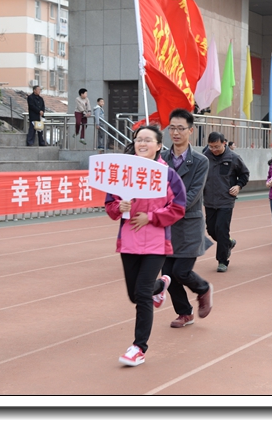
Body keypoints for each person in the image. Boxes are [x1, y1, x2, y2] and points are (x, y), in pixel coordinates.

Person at [105, 125, 187, 366]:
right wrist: (118, 207)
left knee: (141, 295)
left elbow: (178, 207)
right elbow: (110, 204)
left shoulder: (168, 174)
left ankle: (138, 347)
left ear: (159, 145)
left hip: (156, 242)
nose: (142, 143)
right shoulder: (121, 171)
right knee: (134, 294)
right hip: (129, 241)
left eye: (148, 140)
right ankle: (161, 285)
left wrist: (150, 217)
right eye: (139, 139)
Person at [158, 109, 214, 328]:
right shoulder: (160, 158)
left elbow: (193, 194)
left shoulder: (200, 161)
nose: (176, 132)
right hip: (166, 224)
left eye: (181, 128)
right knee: (168, 276)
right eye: (172, 128)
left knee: (181, 271)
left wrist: (167, 207)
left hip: (188, 222)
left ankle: (203, 289)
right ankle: (185, 313)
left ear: (191, 130)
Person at [204, 131, 250, 272]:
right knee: (211, 229)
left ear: (224, 143)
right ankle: (228, 243)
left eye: (217, 146)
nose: (214, 150)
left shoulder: (233, 158)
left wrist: (238, 185)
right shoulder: (205, 157)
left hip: (226, 200)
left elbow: (244, 174)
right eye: (211, 147)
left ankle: (222, 261)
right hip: (209, 200)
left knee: (222, 229)